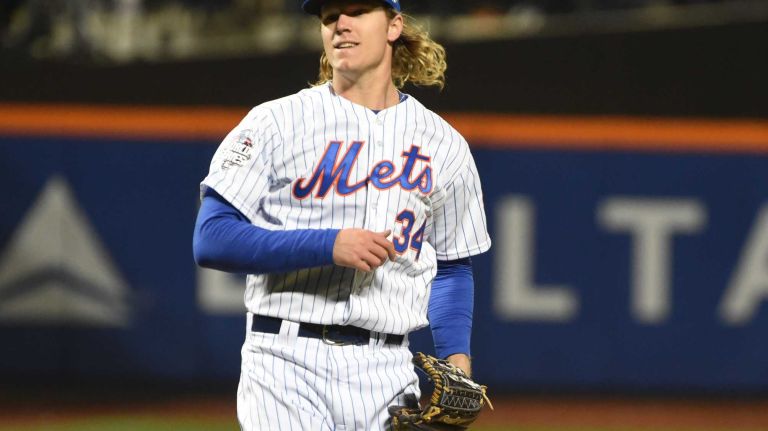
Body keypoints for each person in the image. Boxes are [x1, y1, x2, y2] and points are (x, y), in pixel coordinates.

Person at [192, 0, 491, 429]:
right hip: (283, 359)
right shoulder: (275, 122)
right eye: (330, 16)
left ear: (394, 26)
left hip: (387, 370)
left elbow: (451, 267)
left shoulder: (444, 145)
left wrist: (456, 363)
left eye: (357, 11)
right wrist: (329, 244)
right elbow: (213, 237)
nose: (341, 24)